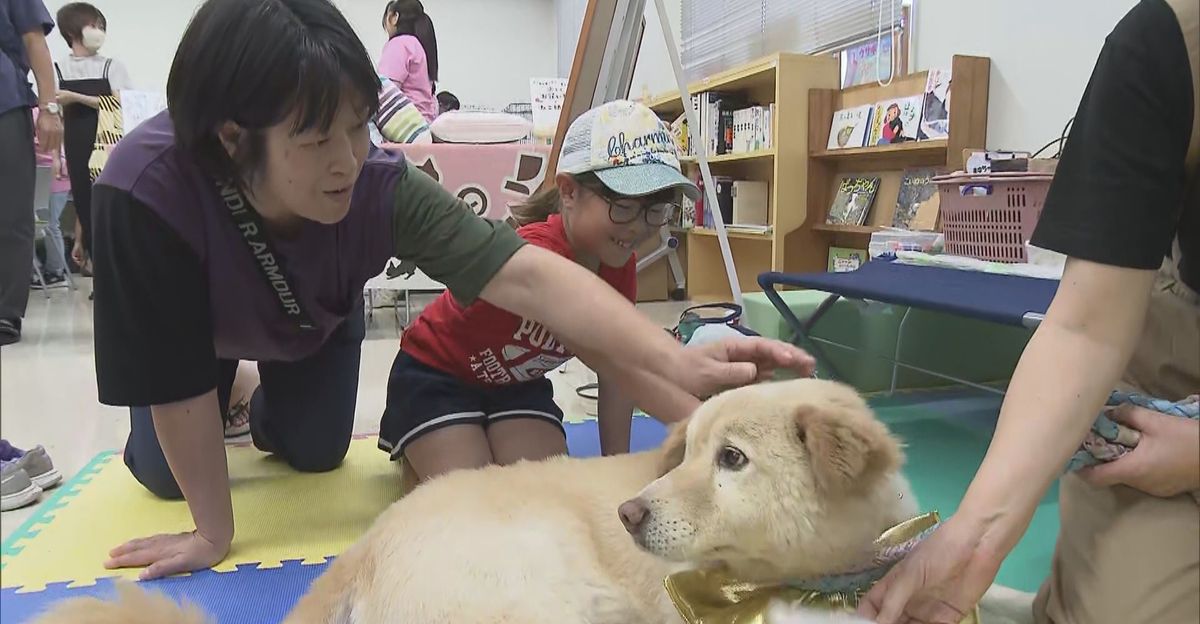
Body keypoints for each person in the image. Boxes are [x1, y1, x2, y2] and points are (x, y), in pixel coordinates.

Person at [94, 0, 813, 582]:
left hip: (307, 325)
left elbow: (527, 275)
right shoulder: (143, 192)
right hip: (192, 343)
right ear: (232, 138)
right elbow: (173, 382)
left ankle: (250, 391)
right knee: (168, 478)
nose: (348, 160)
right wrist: (213, 534)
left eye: (356, 128)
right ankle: (227, 384)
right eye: (317, 141)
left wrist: (682, 362)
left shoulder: (380, 185)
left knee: (316, 451)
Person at [859, 2, 1198, 624]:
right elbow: (1084, 325)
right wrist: (977, 537)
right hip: (1182, 330)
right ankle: (1075, 605)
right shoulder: (1165, 43)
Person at [381, 100, 697, 481]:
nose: (638, 228)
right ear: (568, 191)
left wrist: (619, 472)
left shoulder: (619, 264)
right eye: (625, 206)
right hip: (437, 374)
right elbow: (622, 363)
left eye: (655, 210)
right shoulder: (536, 251)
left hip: (516, 387)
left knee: (545, 493)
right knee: (470, 498)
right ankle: (418, 446)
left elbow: (617, 374)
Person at [0, 0, 61, 346]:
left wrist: (49, 107)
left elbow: (34, 39)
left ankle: (5, 312)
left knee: (9, 212)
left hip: (4, 102)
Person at [53, 2, 131, 272]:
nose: (98, 31)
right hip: (75, 145)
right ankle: (99, 272)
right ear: (72, 31)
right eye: (92, 25)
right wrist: (55, 157)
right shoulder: (58, 68)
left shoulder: (111, 66)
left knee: (109, 206)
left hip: (108, 144)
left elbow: (120, 103)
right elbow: (55, 118)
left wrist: (74, 97)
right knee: (85, 206)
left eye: (100, 26)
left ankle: (116, 272)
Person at [31, 107, 71, 287]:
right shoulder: (37, 113)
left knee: (50, 225)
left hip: (52, 176)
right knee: (49, 225)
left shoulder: (38, 114)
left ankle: (54, 271)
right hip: (49, 176)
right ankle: (47, 270)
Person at [379, 0, 437, 122]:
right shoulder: (418, 45)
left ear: (395, 17)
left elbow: (385, 93)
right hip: (424, 123)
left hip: (406, 124)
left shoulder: (399, 44)